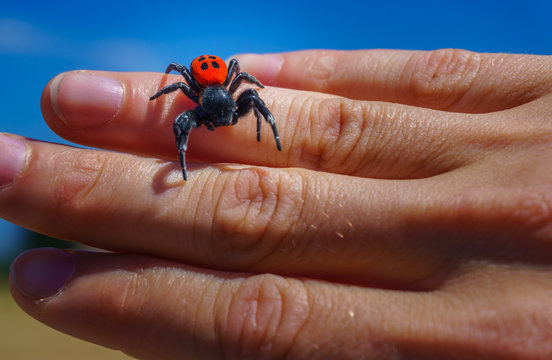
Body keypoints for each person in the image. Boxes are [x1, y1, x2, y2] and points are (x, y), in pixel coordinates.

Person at [3, 49, 552, 359]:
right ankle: (186, 164)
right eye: (208, 107)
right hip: (198, 69)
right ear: (200, 93)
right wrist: (164, 110)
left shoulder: (238, 93)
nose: (217, 116)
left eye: (224, 107)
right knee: (181, 122)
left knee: (253, 103)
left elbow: (252, 90)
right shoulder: (190, 92)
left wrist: (274, 133)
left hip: (223, 71)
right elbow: (176, 84)